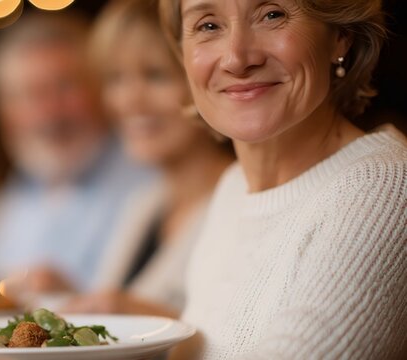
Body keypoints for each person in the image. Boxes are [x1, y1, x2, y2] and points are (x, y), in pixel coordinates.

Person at [157, 0, 407, 357]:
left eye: (273, 14)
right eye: (208, 26)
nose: (237, 58)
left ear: (341, 35)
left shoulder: (385, 187)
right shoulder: (232, 187)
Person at [66, 0, 234, 317]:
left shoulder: (241, 200)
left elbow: (240, 337)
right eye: (114, 78)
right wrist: (66, 299)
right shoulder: (143, 203)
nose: (130, 100)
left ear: (204, 80)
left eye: (155, 75)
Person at [0, 11, 155, 293]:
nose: (48, 113)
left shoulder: (147, 182)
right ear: (3, 110)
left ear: (100, 89)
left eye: (65, 87)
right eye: (29, 95)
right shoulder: (21, 188)